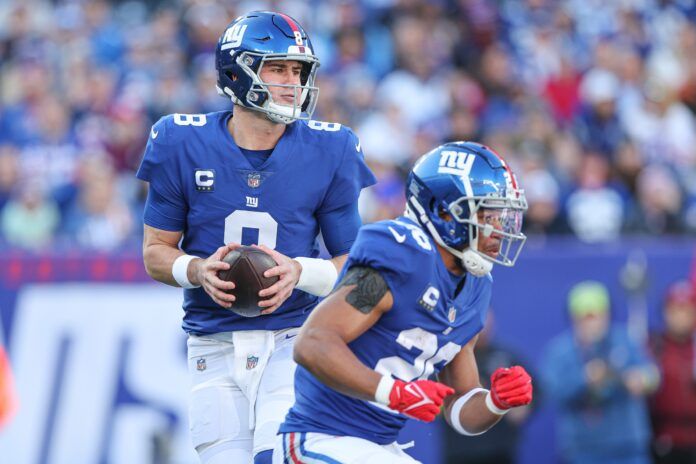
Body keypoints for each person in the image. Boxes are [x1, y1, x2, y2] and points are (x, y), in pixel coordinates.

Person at [136, 11, 375, 464]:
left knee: (279, 457)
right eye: (278, 68)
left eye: (298, 71)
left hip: (294, 336)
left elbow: (358, 269)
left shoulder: (331, 148)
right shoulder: (179, 141)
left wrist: (300, 272)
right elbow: (154, 252)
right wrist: (198, 269)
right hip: (212, 343)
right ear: (235, 71)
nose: (292, 82)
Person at [275, 141, 533, 463]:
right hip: (324, 435)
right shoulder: (402, 256)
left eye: (502, 216)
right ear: (443, 210)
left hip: (378, 446)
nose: (497, 229)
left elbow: (458, 406)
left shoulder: (476, 286)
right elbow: (312, 343)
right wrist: (394, 392)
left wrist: (495, 402)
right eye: (487, 214)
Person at [541, 281, 659, 464]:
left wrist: (642, 379)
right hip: (583, 449)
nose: (592, 323)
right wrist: (584, 379)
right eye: (585, 317)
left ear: (607, 314)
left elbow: (653, 374)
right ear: (573, 318)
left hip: (628, 447)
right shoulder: (560, 351)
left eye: (597, 315)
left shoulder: (625, 339)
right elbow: (552, 391)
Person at [442, 311, 535, 464]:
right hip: (460, 449)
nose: (482, 324)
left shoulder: (505, 354)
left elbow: (533, 388)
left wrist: (523, 403)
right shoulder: (447, 354)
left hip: (498, 449)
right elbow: (433, 395)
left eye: (485, 316)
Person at [649, 280, 696, 464]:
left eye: (687, 310)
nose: (680, 317)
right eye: (675, 310)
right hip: (665, 442)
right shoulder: (653, 346)